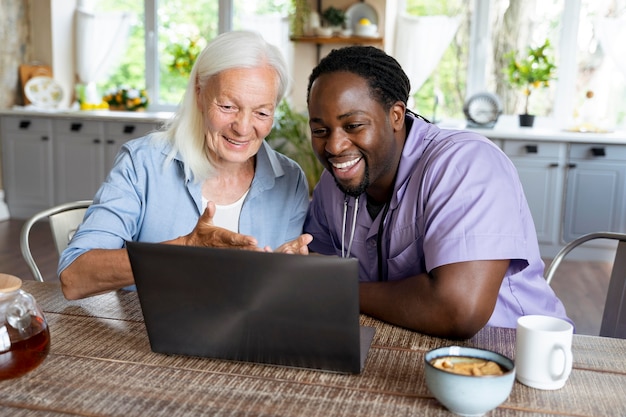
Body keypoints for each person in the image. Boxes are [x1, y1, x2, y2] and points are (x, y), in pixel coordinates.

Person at [303, 46, 571, 340]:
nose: (334, 146)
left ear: (395, 115)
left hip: (513, 352)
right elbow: (317, 271)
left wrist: (339, 289)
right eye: (320, 131)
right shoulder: (333, 185)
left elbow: (458, 311)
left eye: (353, 125)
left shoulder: (466, 163)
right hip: (398, 346)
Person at [59, 31, 312, 300]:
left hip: (249, 337)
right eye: (227, 106)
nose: (243, 128)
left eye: (262, 112)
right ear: (200, 94)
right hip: (145, 336)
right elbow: (74, 278)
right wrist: (185, 249)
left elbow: (275, 293)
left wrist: (287, 271)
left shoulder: (290, 178)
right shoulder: (142, 163)